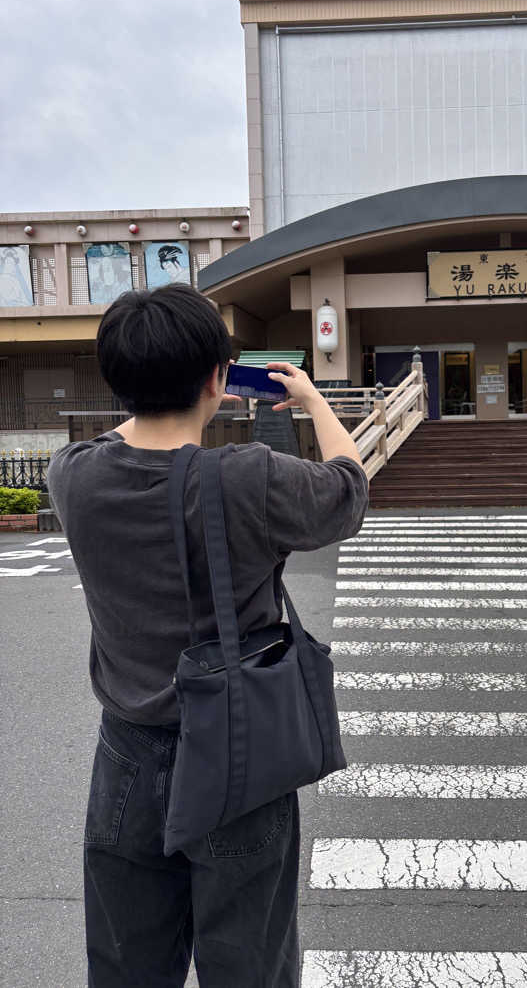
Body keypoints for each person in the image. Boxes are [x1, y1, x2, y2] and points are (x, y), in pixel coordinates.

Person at [47, 283, 368, 987]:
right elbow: (348, 489)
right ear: (219, 379)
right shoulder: (248, 479)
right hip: (238, 750)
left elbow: (127, 440)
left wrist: (167, 387)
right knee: (250, 967)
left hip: (127, 756)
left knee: (129, 967)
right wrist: (313, 402)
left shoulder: (72, 477)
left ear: (118, 380)